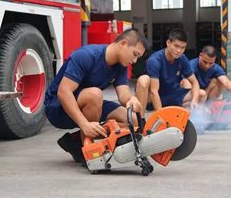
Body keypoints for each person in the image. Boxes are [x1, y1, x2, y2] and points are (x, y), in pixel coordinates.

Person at [44, 28, 148, 163]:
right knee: (95, 94)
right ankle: (91, 153)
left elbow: (123, 94)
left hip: (88, 103)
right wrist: (84, 124)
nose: (134, 61)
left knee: (133, 120)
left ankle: (75, 141)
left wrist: (131, 99)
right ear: (122, 43)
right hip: (57, 107)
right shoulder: (86, 55)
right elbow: (64, 92)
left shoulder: (120, 65)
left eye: (138, 57)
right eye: (134, 54)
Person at [136, 28, 206, 111]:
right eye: (176, 46)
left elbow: (194, 82)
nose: (179, 50)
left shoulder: (182, 59)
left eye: (182, 48)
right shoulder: (155, 60)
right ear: (168, 43)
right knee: (143, 80)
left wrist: (194, 101)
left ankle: (183, 112)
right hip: (155, 97)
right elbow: (154, 91)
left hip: (173, 95)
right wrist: (162, 115)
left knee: (202, 94)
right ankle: (141, 119)